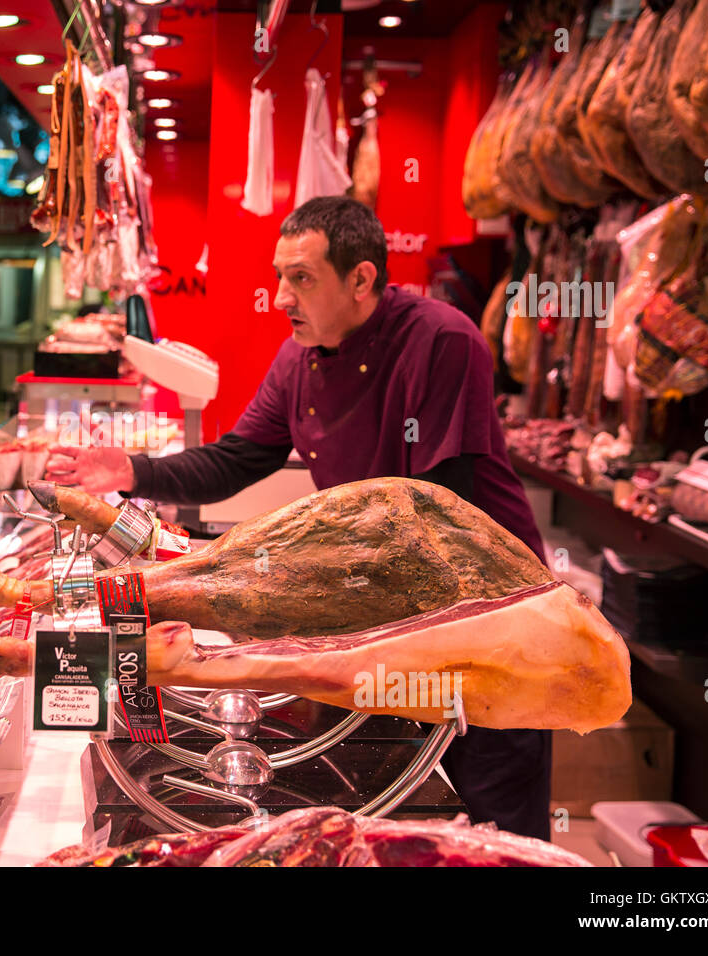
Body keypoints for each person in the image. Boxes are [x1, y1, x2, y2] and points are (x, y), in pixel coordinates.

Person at [47, 196, 551, 840]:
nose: (282, 296)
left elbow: (428, 509)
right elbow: (237, 459)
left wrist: (283, 581)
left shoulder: (443, 340)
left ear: (362, 279)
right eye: (280, 275)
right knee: (407, 813)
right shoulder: (299, 359)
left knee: (494, 814)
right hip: (389, 615)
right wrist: (130, 472)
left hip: (491, 611)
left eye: (303, 278)